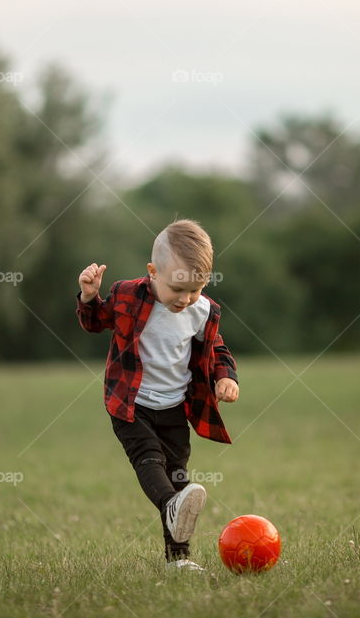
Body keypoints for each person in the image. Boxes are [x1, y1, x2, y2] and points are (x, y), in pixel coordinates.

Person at [75, 218, 240, 571]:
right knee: (150, 460)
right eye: (177, 289)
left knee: (179, 476)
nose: (185, 299)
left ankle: (177, 560)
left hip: (174, 407)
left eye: (195, 290)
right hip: (129, 404)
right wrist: (90, 296)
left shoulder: (202, 310)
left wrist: (226, 378)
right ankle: (170, 506)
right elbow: (94, 322)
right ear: (152, 272)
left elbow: (218, 352)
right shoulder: (125, 294)